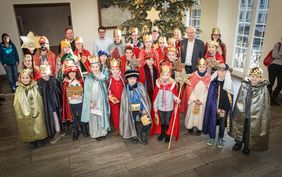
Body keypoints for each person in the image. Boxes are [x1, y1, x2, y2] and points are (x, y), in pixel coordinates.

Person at [231, 67, 270, 155]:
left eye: (257, 76)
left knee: (249, 131)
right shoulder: (244, 85)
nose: (254, 78)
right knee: (240, 127)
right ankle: (238, 142)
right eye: (252, 76)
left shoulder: (263, 89)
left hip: (254, 115)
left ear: (261, 78)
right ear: (249, 76)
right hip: (242, 113)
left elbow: (265, 106)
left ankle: (247, 146)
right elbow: (239, 100)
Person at [14, 69, 47, 149]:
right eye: (23, 78)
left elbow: (38, 99)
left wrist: (36, 109)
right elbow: (17, 102)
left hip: (36, 110)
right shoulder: (19, 89)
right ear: (20, 79)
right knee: (27, 125)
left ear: (31, 78)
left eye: (27, 78)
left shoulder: (35, 87)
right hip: (24, 111)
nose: (25, 80)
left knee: (38, 123)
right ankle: (31, 139)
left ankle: (39, 139)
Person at [202, 63, 233, 149]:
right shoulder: (213, 82)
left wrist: (222, 108)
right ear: (217, 71)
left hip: (223, 108)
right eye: (220, 71)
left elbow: (229, 98)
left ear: (226, 72)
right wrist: (214, 107)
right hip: (213, 107)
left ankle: (220, 138)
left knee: (222, 124)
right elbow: (210, 96)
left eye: (223, 71)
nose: (221, 73)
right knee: (213, 122)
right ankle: (212, 137)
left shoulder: (229, 84)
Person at [81, 56, 110, 141]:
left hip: (101, 100)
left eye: (97, 66)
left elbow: (105, 89)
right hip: (93, 101)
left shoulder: (102, 76)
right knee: (94, 117)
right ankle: (95, 133)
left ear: (99, 66)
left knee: (101, 116)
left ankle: (102, 132)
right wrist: (89, 101)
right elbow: (86, 92)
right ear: (90, 68)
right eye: (93, 67)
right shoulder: (88, 77)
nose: (95, 68)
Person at [119, 69, 152, 144]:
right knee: (133, 122)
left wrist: (144, 109)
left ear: (136, 78)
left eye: (134, 78)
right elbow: (125, 101)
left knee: (146, 122)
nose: (132, 80)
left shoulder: (140, 86)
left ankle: (143, 133)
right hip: (132, 109)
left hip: (141, 108)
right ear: (127, 79)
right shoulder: (125, 88)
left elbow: (145, 98)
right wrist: (128, 109)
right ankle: (135, 135)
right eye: (130, 79)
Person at [151, 63, 181, 143]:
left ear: (170, 75)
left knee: (168, 121)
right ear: (161, 75)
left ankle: (168, 134)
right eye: (163, 75)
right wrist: (155, 108)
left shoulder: (172, 84)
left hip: (169, 107)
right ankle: (163, 133)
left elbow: (174, 95)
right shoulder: (158, 84)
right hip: (160, 107)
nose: (165, 77)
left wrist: (177, 99)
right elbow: (155, 97)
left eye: (167, 75)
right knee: (162, 121)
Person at [183, 58, 211, 136]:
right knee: (191, 113)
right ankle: (190, 126)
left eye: (204, 66)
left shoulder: (209, 77)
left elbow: (209, 90)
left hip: (202, 100)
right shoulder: (192, 75)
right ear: (197, 66)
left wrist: (201, 100)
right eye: (200, 66)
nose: (202, 68)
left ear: (206, 67)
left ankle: (199, 128)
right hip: (193, 99)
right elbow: (189, 88)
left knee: (201, 114)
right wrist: (194, 99)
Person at [38, 64, 63, 144]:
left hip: (54, 103)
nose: (43, 75)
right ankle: (53, 131)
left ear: (49, 72)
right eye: (41, 73)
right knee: (49, 118)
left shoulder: (54, 80)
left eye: (45, 73)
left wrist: (58, 103)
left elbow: (59, 92)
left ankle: (58, 131)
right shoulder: (40, 82)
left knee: (56, 117)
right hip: (46, 104)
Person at [62, 66, 84, 140]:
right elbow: (65, 94)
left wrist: (80, 96)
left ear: (76, 73)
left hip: (80, 102)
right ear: (68, 74)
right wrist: (71, 97)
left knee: (81, 116)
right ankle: (75, 132)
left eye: (73, 72)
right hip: (71, 103)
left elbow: (83, 91)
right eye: (70, 73)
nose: (72, 74)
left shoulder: (79, 81)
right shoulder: (66, 83)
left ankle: (84, 129)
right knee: (73, 118)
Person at [108, 58, 125, 135]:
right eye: (113, 69)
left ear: (119, 69)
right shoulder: (109, 79)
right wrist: (110, 96)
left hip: (122, 100)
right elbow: (107, 90)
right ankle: (117, 128)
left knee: (123, 113)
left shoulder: (122, 78)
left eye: (116, 69)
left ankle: (124, 126)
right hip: (114, 101)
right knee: (115, 114)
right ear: (111, 70)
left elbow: (125, 87)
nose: (115, 71)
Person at [267, 39, 282, 106]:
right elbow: (274, 55)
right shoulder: (278, 44)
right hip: (274, 66)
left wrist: (280, 55)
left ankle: (273, 98)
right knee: (271, 83)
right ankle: (267, 98)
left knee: (280, 84)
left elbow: (277, 55)